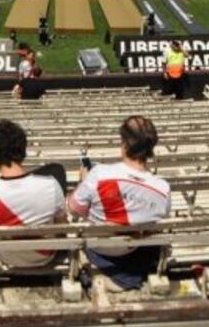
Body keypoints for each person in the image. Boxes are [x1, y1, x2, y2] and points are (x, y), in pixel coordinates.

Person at [68, 116, 171, 291]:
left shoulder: (99, 174)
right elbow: (157, 225)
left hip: (98, 249)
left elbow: (73, 209)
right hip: (132, 250)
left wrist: (83, 182)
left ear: (125, 145)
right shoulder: (162, 188)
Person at [0, 120, 67, 269]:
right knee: (56, 169)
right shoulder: (51, 185)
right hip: (45, 255)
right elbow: (62, 226)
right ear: (23, 150)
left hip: (7, 256)